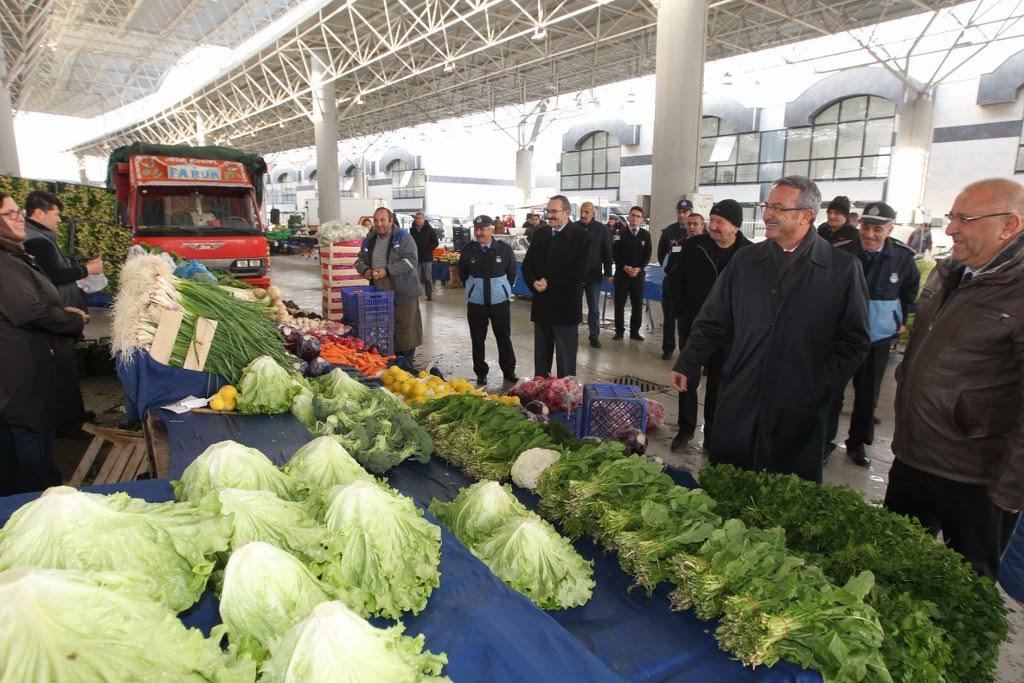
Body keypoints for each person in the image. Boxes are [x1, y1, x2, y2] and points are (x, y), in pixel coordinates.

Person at [669, 176, 869, 484]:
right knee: (727, 490)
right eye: (767, 206)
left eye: (778, 207)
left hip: (798, 406)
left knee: (784, 498)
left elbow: (854, 340)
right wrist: (689, 360)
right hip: (740, 395)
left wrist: (819, 385)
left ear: (806, 215)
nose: (766, 214)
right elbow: (713, 318)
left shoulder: (841, 269)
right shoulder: (746, 261)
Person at [886, 177, 1024, 579]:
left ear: (1009, 225)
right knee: (892, 564)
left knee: (967, 583)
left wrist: (1012, 489)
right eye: (952, 216)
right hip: (913, 454)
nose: (950, 229)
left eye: (965, 218)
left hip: (975, 473)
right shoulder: (949, 273)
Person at [0, 193, 88, 495]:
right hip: (20, 382)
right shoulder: (3, 261)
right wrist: (72, 322)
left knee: (16, 459)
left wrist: (61, 312)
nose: (18, 219)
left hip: (20, 377)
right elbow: (28, 310)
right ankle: (39, 511)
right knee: (32, 461)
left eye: (17, 213)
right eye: (10, 214)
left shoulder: (13, 255)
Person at [826, 202, 919, 467]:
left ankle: (857, 444)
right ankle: (824, 441)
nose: (870, 234)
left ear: (889, 229)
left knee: (868, 395)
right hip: (840, 337)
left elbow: (910, 291)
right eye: (865, 227)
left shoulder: (902, 257)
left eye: (878, 229)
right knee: (832, 391)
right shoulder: (840, 253)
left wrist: (900, 319)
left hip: (877, 339)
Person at [668, 199, 753, 452]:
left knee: (719, 383)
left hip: (729, 333)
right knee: (687, 379)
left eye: (720, 222)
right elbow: (675, 281)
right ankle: (685, 430)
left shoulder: (749, 254)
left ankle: (713, 434)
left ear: (735, 227)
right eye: (712, 221)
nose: (713, 227)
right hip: (694, 328)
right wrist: (682, 313)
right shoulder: (694, 246)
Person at [522, 195, 591, 377]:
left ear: (567, 212)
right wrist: (533, 282)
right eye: (548, 211)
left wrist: (549, 283)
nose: (550, 215)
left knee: (566, 364)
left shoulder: (581, 237)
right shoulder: (541, 234)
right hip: (542, 306)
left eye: (554, 211)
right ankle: (540, 397)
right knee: (541, 362)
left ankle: (564, 401)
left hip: (565, 308)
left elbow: (579, 272)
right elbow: (528, 265)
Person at [355, 208, 422, 360]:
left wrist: (388, 270)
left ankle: (406, 366)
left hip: (404, 291)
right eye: (376, 220)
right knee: (384, 329)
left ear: (391, 220)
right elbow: (359, 260)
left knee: (405, 330)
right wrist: (365, 270)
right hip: (379, 292)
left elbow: (411, 260)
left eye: (382, 220)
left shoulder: (403, 238)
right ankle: (390, 362)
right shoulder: (369, 239)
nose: (379, 224)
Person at [458, 216, 517, 386]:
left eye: (483, 229)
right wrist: (474, 289)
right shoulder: (468, 251)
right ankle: (481, 373)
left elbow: (511, 273)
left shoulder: (504, 250)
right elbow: (463, 274)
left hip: (500, 304)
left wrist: (502, 289)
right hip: (476, 305)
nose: (479, 233)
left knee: (503, 338)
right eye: (476, 229)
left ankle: (509, 371)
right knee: (477, 339)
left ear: (491, 229)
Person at [23, 191, 104, 310]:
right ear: (39, 213)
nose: (59, 220)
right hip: (55, 312)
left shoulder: (37, 236)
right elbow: (54, 276)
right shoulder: (38, 242)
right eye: (56, 214)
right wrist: (87, 270)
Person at [658, 199, 693, 360]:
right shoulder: (669, 232)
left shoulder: (697, 232)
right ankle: (668, 348)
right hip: (672, 282)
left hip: (690, 285)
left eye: (685, 212)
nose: (682, 215)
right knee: (669, 317)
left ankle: (687, 350)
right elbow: (661, 255)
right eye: (679, 212)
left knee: (688, 319)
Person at [611, 206, 651, 342]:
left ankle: (635, 332)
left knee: (637, 304)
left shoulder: (645, 235)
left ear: (642, 219)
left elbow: (647, 255)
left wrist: (639, 268)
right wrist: (624, 267)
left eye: (638, 216)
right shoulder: (619, 233)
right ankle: (619, 331)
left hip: (637, 275)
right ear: (628, 217)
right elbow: (615, 253)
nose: (635, 218)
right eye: (633, 215)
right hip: (622, 275)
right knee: (619, 304)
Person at [576, 202, 613, 349]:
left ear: (593, 213)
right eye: (582, 212)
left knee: (594, 308)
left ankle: (594, 336)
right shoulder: (574, 227)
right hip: (576, 276)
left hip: (594, 275)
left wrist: (608, 272)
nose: (583, 215)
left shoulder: (601, 229)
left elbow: (607, 251)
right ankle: (572, 334)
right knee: (574, 306)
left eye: (586, 212)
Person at [410, 212, 439, 301]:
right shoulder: (412, 230)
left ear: (423, 219)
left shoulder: (429, 229)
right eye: (416, 218)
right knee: (416, 277)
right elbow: (409, 242)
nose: (418, 220)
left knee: (427, 277)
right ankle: (416, 294)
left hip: (427, 258)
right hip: (416, 257)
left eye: (420, 218)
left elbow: (435, 242)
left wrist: (428, 249)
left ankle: (429, 294)